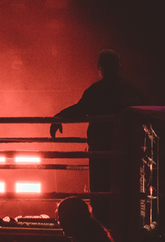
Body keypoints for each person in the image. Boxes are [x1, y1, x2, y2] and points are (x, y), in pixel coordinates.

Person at [49, 49, 144, 225]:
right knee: (126, 192)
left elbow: (80, 109)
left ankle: (104, 230)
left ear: (99, 68)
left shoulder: (97, 90)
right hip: (127, 151)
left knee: (101, 194)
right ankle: (126, 231)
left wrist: (59, 117)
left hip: (101, 151)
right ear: (118, 67)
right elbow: (146, 110)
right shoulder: (130, 90)